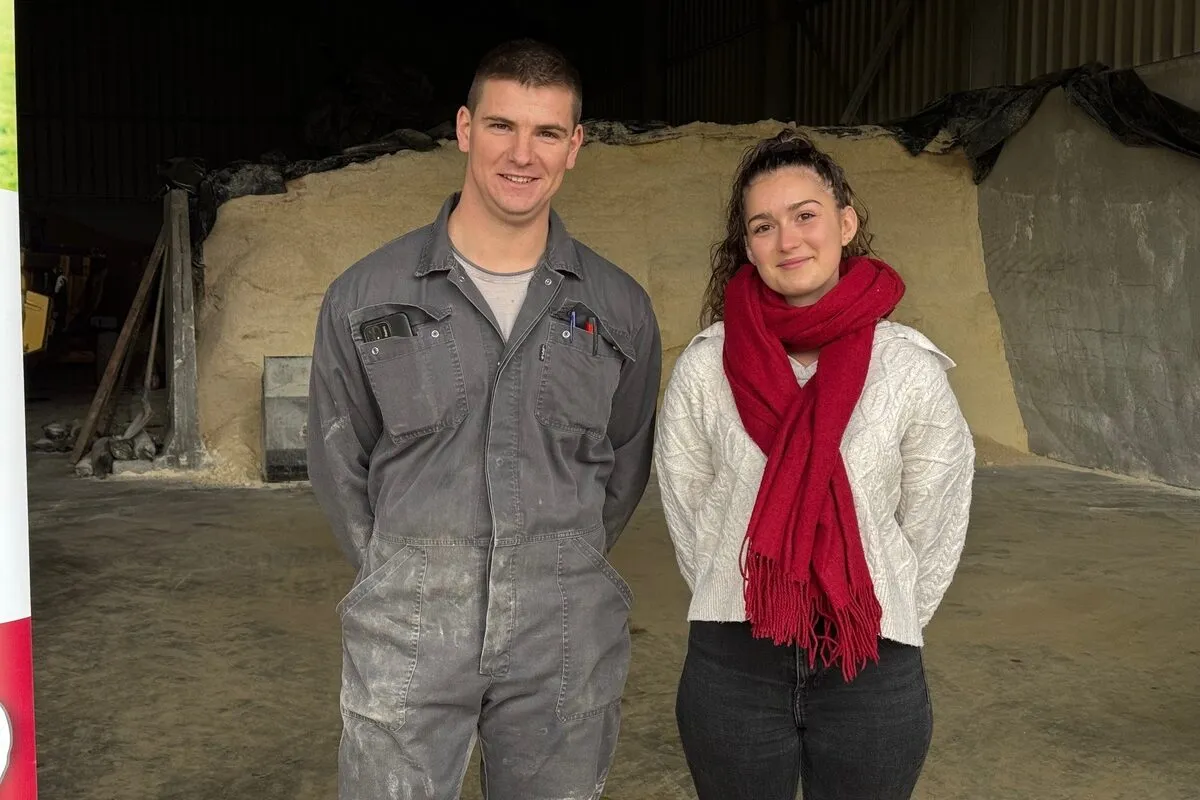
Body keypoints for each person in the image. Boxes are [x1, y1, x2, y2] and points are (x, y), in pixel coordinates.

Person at [306, 38, 662, 800]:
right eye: (502, 126)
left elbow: (624, 463)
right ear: (464, 129)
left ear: (575, 146)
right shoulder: (367, 296)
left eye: (545, 133)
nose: (520, 154)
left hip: (563, 630)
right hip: (406, 627)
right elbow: (340, 459)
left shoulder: (618, 307)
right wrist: (399, 571)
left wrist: (557, 560)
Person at [653, 128, 975, 800]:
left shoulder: (907, 368)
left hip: (870, 659)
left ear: (846, 223)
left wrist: (884, 606)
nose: (788, 240)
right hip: (734, 660)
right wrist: (751, 594)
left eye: (806, 215)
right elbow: (689, 508)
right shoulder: (707, 366)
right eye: (763, 226)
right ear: (746, 245)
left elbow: (937, 515)